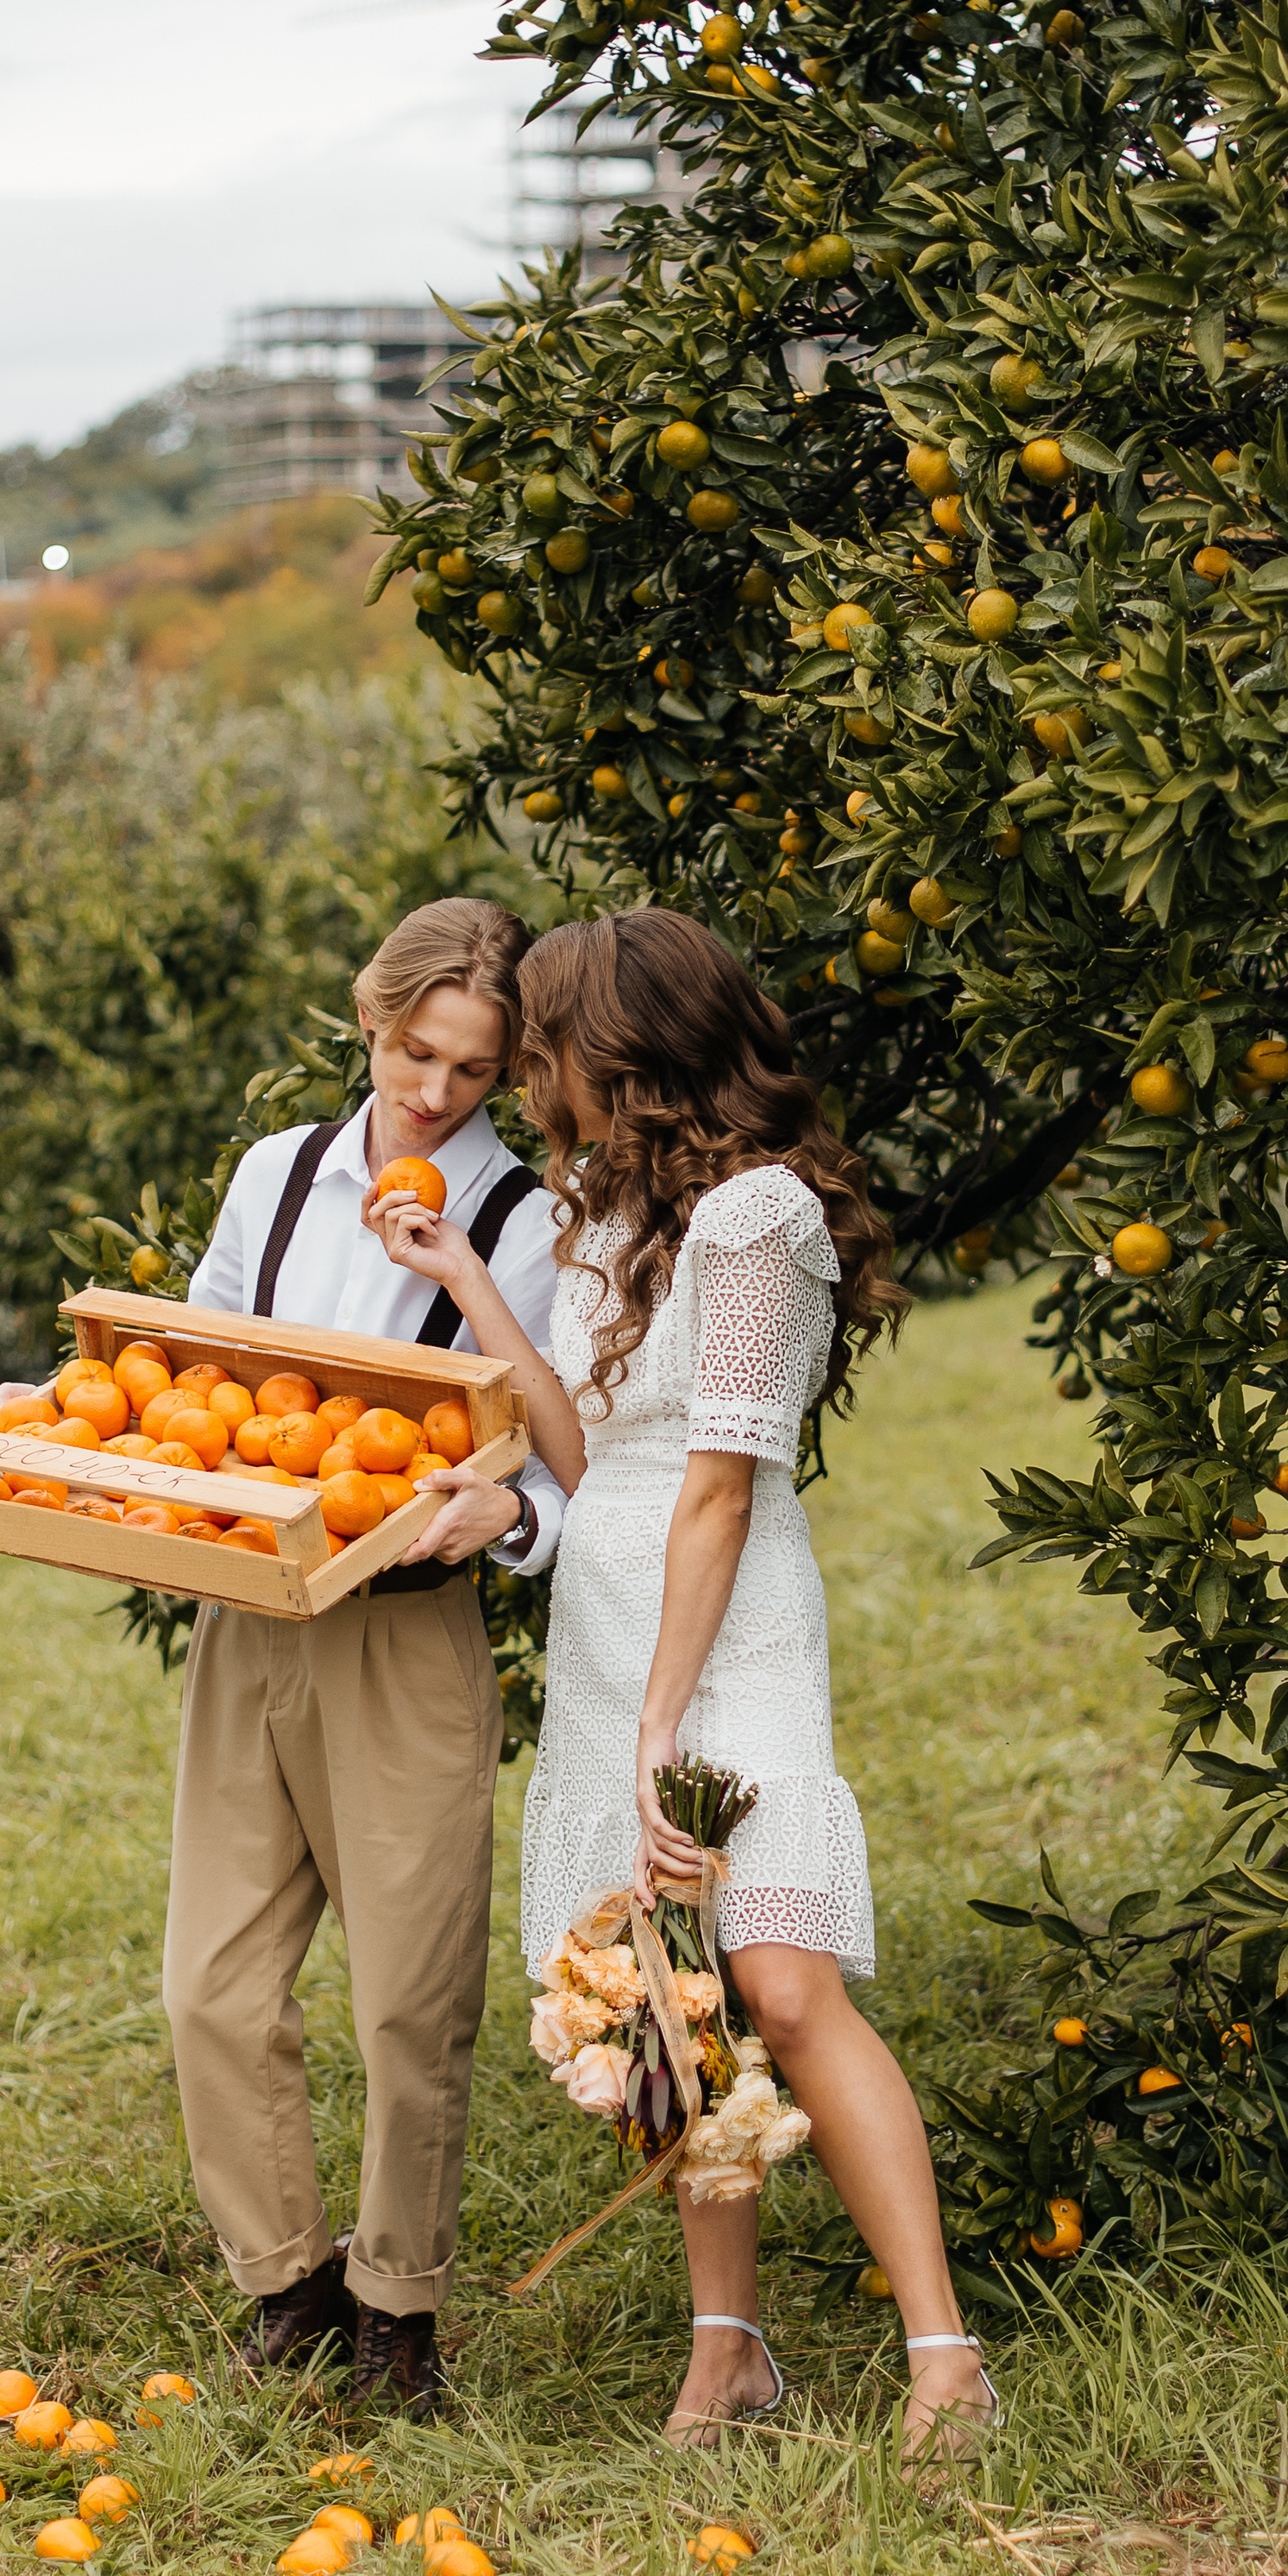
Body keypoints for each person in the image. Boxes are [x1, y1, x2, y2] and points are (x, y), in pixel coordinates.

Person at [365, 908, 996, 2460]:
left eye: (552, 1046)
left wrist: (665, 1727)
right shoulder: (605, 1214)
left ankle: (944, 2354)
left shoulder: (764, 1216)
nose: (528, 1078)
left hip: (731, 1631)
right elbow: (596, 1456)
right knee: (677, 2003)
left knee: (780, 1976)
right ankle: (730, 2350)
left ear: (627, 1054)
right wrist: (472, 1281)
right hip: (607, 1618)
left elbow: (720, 1484)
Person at [164, 898, 565, 2421]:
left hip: (402, 1636)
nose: (435, 1092)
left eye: (472, 1069)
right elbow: (190, 1362)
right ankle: (289, 2283)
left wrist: (499, 1520)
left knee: (408, 1998)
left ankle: (400, 2308)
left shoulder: (527, 1221)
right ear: (369, 1022)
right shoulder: (277, 1177)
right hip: (247, 1611)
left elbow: (563, 1468)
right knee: (210, 1982)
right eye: (415, 1052)